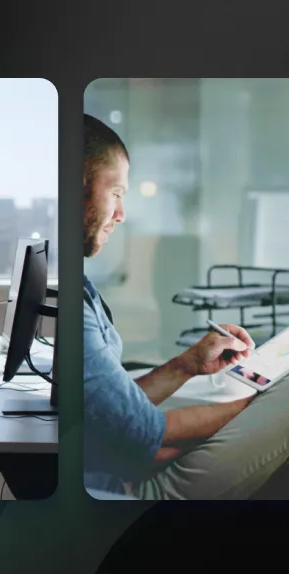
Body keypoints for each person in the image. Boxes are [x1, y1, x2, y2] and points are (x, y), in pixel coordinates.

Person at [83, 113, 289, 500]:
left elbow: (109, 413)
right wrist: (256, 408)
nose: (122, 214)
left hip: (120, 469)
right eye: (117, 193)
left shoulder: (82, 291)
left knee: (232, 384)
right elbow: (144, 441)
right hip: (130, 491)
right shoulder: (75, 312)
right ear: (79, 185)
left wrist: (188, 364)